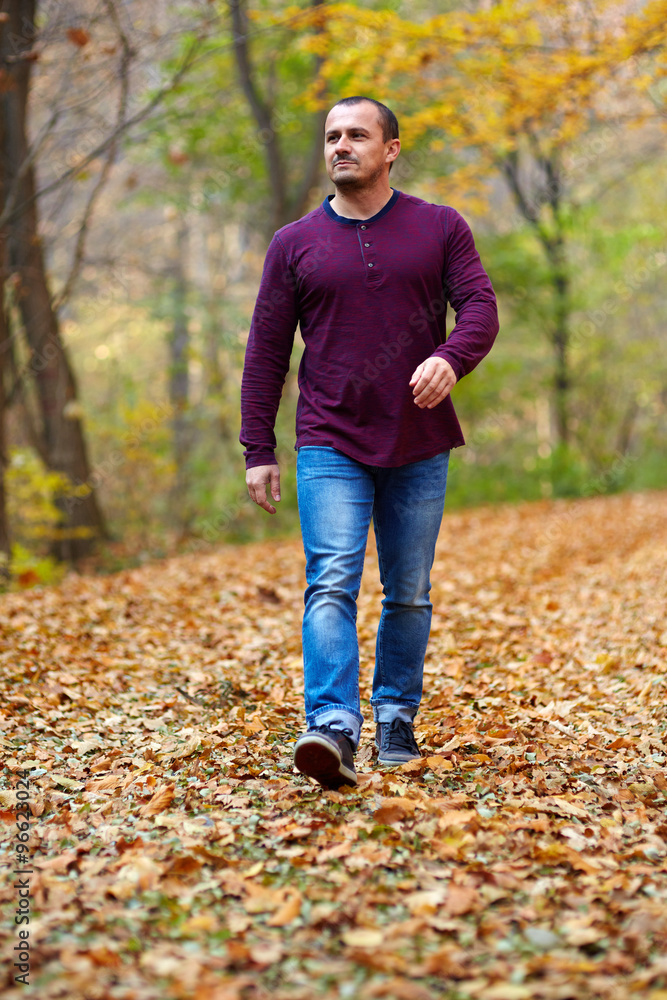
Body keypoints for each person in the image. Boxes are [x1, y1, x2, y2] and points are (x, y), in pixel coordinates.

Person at [240, 96, 499, 790]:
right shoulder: (294, 243)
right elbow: (266, 350)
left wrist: (451, 357)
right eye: (331, 136)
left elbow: (478, 305)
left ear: (390, 149)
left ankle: (393, 716)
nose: (340, 146)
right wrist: (256, 448)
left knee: (408, 592)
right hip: (328, 438)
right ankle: (331, 726)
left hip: (418, 439)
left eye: (356, 134)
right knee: (329, 580)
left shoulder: (438, 228)